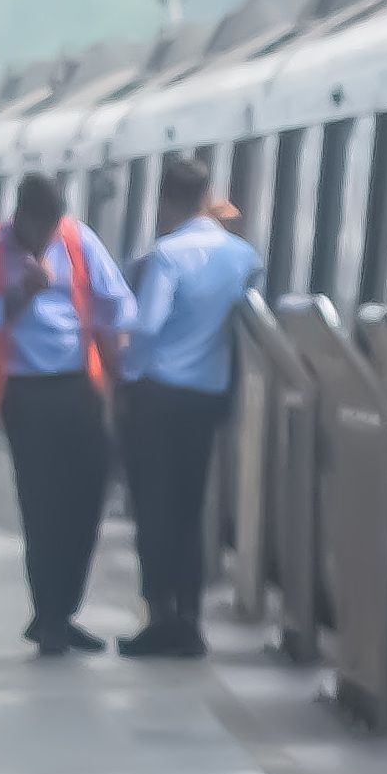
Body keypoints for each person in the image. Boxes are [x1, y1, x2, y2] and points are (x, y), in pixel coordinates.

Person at [0, 171, 132, 655]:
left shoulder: (78, 240)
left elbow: (115, 301)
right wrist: (19, 295)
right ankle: (48, 614)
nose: (49, 236)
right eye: (41, 228)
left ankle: (64, 610)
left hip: (79, 384)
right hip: (24, 391)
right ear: (21, 220)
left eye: (55, 226)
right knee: (41, 504)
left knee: (89, 495)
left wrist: (121, 364)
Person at [116, 152, 266, 659]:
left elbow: (146, 327)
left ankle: (160, 618)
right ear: (207, 197)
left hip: (157, 398)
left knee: (153, 512)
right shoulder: (243, 257)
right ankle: (191, 619)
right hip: (206, 399)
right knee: (188, 510)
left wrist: (126, 378)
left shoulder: (167, 255)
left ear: (164, 201)